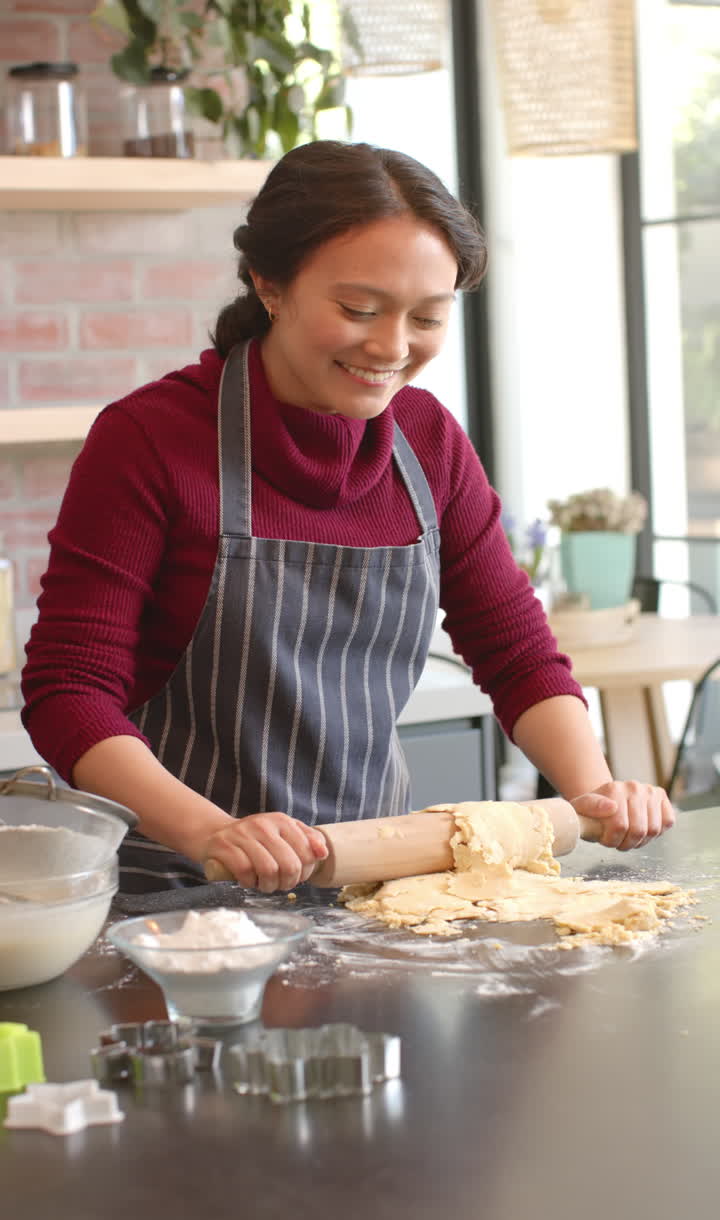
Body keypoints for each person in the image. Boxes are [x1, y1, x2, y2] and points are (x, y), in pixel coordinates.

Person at [21, 140, 674, 897]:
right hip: (176, 896)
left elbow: (516, 650)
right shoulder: (150, 440)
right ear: (270, 284)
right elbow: (68, 689)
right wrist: (212, 832)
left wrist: (593, 788)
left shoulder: (428, 442)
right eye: (359, 309)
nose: (392, 348)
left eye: (427, 318)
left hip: (379, 885)